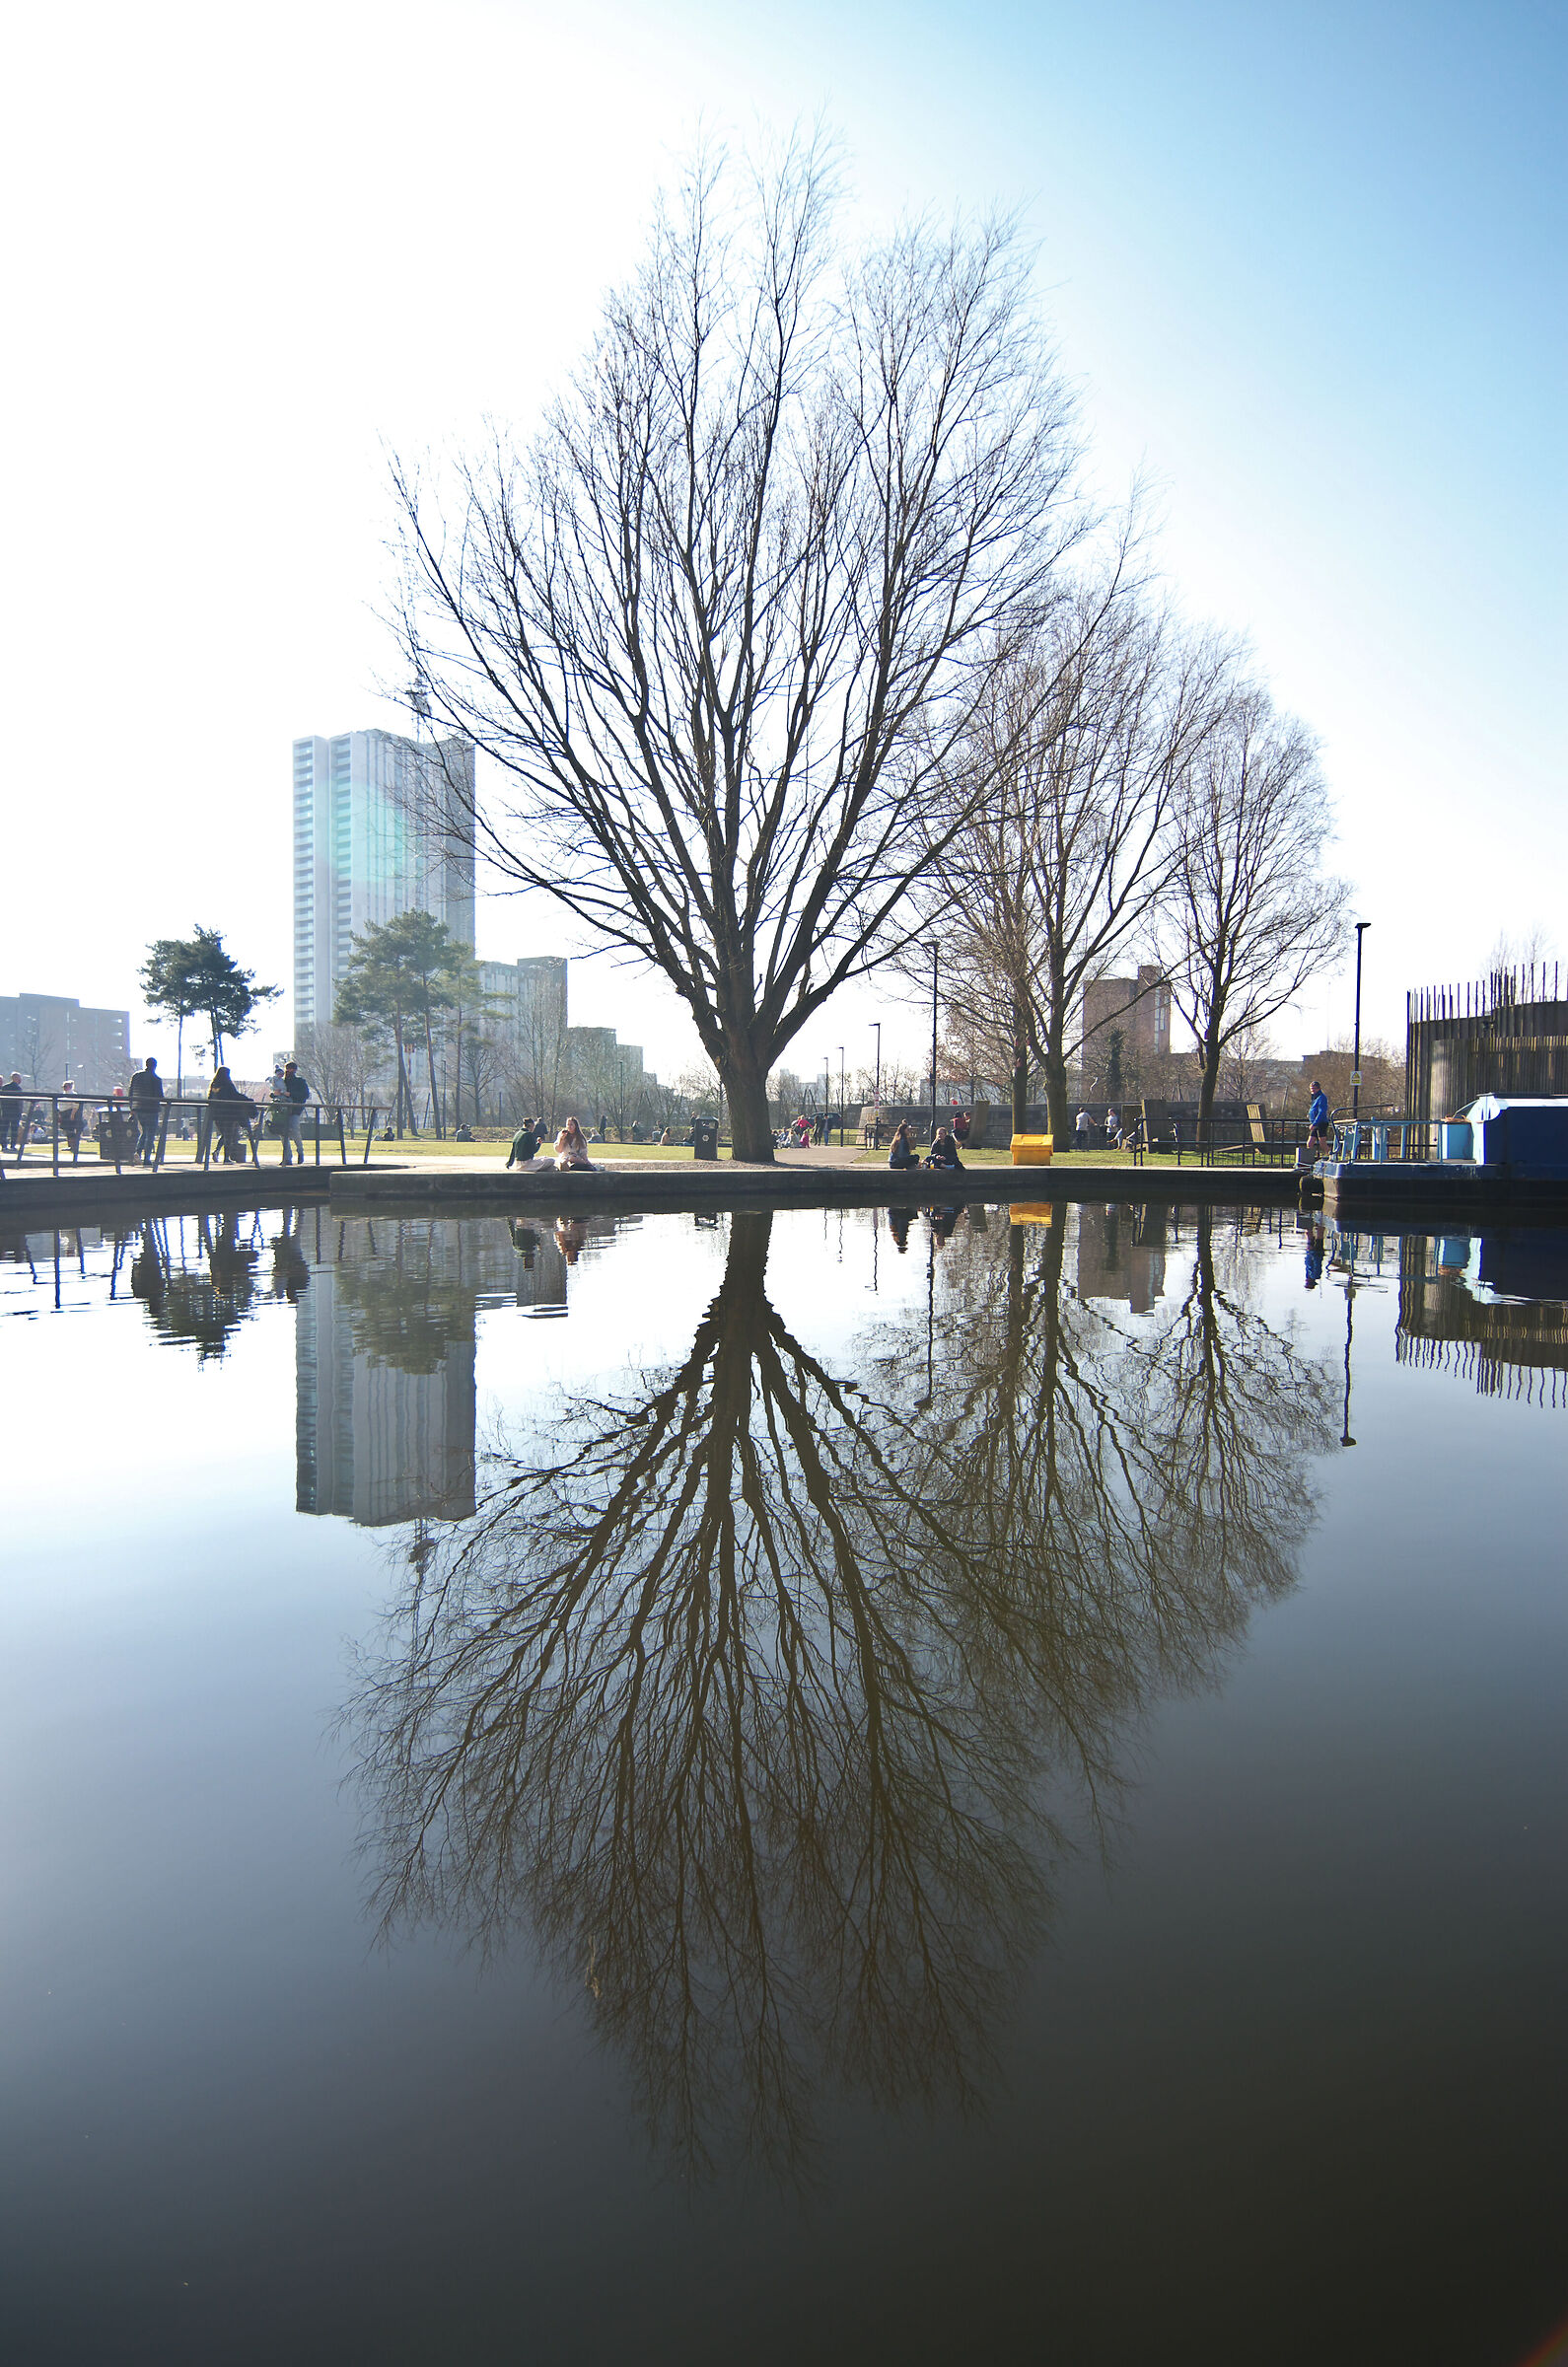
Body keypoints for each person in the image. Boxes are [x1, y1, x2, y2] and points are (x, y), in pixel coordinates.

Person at [207, 1065, 254, 1163]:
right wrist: (248, 1100)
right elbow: (235, 1095)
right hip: (228, 1113)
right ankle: (226, 1158)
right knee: (229, 1135)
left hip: (216, 1114)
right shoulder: (227, 1084)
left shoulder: (214, 1085)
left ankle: (217, 1151)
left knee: (224, 1134)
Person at [128, 1056, 165, 1165]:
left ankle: (138, 1152)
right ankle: (147, 1158)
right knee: (150, 1134)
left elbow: (131, 1092)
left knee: (144, 1132)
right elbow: (159, 1096)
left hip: (138, 1109)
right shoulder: (156, 1079)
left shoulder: (136, 1076)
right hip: (151, 1109)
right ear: (155, 1066)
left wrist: (132, 1108)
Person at [279, 1060, 311, 1166]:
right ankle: (287, 1157)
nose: (288, 1072)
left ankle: (300, 1151)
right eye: (287, 1069)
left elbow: (305, 1095)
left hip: (295, 1110)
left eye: (291, 1069)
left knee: (295, 1131)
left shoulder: (300, 1082)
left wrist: (290, 1094)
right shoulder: (281, 1081)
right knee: (283, 1134)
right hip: (282, 1111)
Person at [57, 1080, 86, 1160]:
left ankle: (74, 1146)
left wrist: (72, 1115)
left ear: (70, 1086)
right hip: (63, 1113)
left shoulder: (73, 1094)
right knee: (67, 1130)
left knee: (71, 1130)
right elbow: (59, 1105)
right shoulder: (63, 1095)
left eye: (66, 1086)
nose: (64, 1087)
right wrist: (59, 1114)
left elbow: (75, 1106)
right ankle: (70, 1145)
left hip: (69, 1113)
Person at [1306, 1078, 1331, 1156]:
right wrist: (1309, 1114)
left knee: (1322, 1143)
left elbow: (1322, 1111)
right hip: (1315, 1123)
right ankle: (1309, 1158)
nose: (1312, 1090)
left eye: (1314, 1089)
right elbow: (1313, 1108)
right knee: (1309, 1143)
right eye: (1311, 1089)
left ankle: (1331, 1155)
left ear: (1318, 1088)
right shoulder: (1314, 1098)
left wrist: (1314, 1123)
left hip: (1321, 1123)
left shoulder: (1322, 1097)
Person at [0, 1071, 24, 1153]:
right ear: (16, 1079)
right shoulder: (18, 1089)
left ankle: (4, 1146)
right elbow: (19, 1102)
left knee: (4, 1129)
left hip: (5, 1111)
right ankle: (13, 1146)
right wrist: (20, 1112)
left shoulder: (5, 1087)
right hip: (15, 1112)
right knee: (14, 1129)